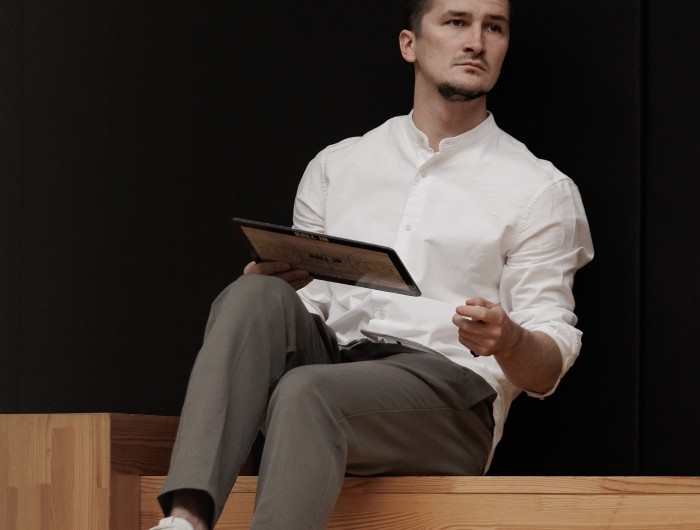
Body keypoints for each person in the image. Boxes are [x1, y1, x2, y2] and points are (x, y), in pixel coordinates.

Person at [150, 0, 594, 528]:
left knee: (307, 391)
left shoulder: (539, 188)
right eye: (456, 22)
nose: (476, 41)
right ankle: (185, 519)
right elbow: (310, 308)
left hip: (450, 396)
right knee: (252, 294)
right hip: (333, 366)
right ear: (410, 44)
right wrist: (277, 288)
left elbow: (548, 368)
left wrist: (509, 339)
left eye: (493, 27)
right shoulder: (338, 165)